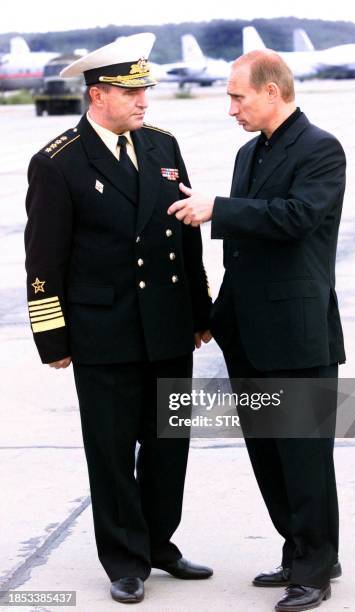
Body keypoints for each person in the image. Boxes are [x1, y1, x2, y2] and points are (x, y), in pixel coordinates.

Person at [25, 33, 213, 605]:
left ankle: (160, 543)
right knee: (111, 451)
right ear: (98, 94)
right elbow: (43, 259)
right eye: (133, 92)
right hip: (103, 333)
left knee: (168, 443)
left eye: (145, 90)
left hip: (166, 326)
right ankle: (125, 559)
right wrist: (51, 334)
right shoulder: (57, 162)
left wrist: (199, 312)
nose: (144, 102)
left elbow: (187, 240)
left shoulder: (163, 146)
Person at [168, 50, 346, 612]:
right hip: (247, 332)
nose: (231, 108)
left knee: (304, 455)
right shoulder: (249, 152)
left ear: (273, 92)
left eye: (237, 97)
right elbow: (246, 249)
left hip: (296, 333)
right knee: (268, 453)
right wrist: (215, 316)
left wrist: (218, 207)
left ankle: (316, 569)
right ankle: (299, 552)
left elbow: (295, 217)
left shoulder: (320, 149)